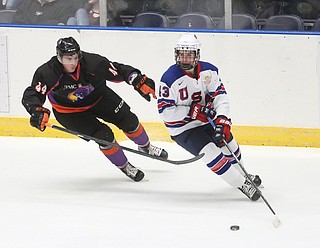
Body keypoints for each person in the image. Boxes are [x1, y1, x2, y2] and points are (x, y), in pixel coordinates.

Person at [22, 37, 168, 182]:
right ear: (59, 57)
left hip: (100, 98)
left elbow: (118, 70)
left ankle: (146, 146)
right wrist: (36, 110)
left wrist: (137, 79)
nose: (72, 63)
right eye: (67, 59)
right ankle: (125, 166)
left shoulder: (93, 63)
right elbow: (33, 94)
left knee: (129, 120)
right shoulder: (48, 72)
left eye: (75, 58)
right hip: (70, 112)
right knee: (104, 137)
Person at [157, 34, 262, 201]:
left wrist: (222, 119)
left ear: (197, 54)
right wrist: (192, 111)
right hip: (183, 128)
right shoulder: (169, 79)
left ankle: (243, 174)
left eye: (189, 54)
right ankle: (242, 184)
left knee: (228, 141)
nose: (184, 58)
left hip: (207, 120)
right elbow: (165, 112)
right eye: (181, 54)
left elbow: (221, 96)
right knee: (211, 152)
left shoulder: (209, 71)